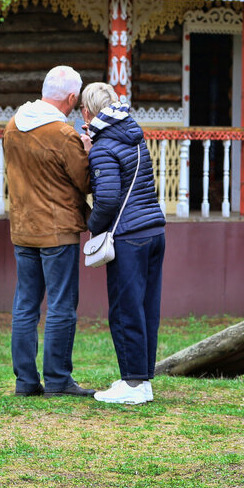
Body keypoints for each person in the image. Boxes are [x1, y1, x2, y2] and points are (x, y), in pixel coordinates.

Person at [3, 66, 95, 398]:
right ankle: (57, 380)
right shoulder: (62, 134)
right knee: (60, 304)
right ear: (71, 98)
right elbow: (85, 182)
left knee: (25, 304)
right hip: (57, 232)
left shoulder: (13, 126)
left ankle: (25, 382)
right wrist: (86, 149)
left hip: (23, 229)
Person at [79, 83, 166, 405]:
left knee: (124, 310)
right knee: (145, 309)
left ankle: (132, 384)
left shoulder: (103, 147)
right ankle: (141, 381)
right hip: (154, 230)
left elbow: (108, 199)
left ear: (87, 113)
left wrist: (91, 227)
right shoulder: (133, 135)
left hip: (128, 238)